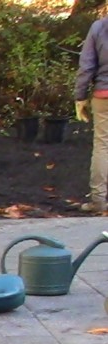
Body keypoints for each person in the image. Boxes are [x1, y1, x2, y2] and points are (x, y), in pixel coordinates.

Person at [76, 17, 108, 213]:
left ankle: (98, 200)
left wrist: (80, 96)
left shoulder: (99, 26)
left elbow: (86, 66)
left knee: (103, 145)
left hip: (104, 96)